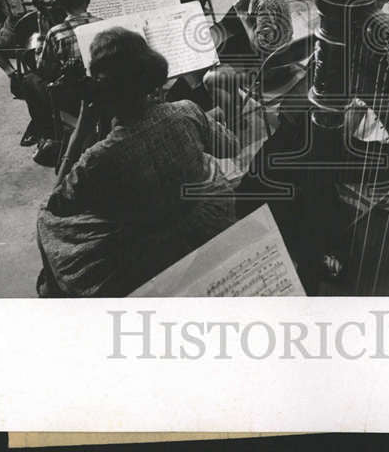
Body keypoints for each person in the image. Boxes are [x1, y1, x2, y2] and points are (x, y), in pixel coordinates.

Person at [36, 27, 238, 297]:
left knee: (44, 219)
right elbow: (231, 147)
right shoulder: (187, 111)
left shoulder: (100, 156)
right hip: (206, 222)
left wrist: (82, 128)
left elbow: (57, 203)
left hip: (148, 253)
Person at [204, 0, 293, 140]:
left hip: (270, 70)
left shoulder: (267, 0)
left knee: (210, 78)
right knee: (220, 50)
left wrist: (244, 17)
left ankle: (233, 121)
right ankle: (234, 105)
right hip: (283, 55)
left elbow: (262, 47)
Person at [17, 0, 101, 165]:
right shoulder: (105, 23)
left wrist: (43, 35)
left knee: (29, 80)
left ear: (60, 4)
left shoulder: (56, 33)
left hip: (75, 99)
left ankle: (48, 133)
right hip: (104, 89)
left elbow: (43, 68)